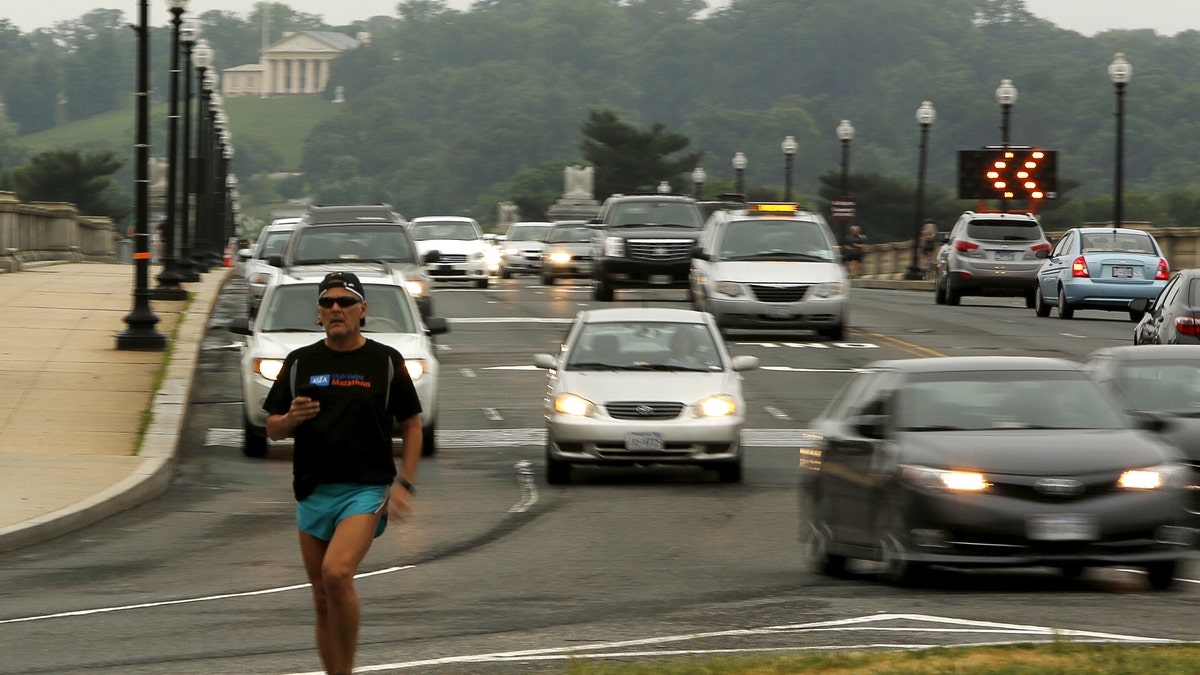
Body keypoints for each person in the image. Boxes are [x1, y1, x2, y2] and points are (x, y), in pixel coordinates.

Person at [263, 271, 423, 675]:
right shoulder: (301, 362)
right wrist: (291, 420)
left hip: (365, 490)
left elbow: (412, 424)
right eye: (328, 303)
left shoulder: (385, 361)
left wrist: (404, 483)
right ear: (318, 314)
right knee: (320, 597)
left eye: (346, 302)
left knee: (336, 573)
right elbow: (272, 428)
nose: (337, 309)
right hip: (312, 489)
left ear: (362, 311)